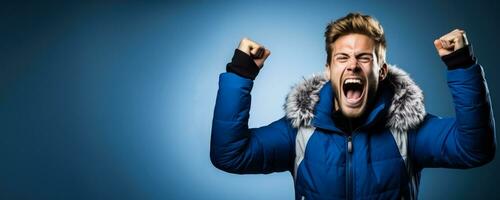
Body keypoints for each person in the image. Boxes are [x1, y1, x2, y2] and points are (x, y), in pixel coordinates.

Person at [210, 12, 496, 200]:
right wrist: (241, 72)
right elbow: (230, 155)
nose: (353, 66)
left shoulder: (409, 131)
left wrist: (461, 65)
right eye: (342, 58)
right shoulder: (298, 133)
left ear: (381, 72)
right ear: (329, 70)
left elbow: (475, 150)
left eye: (364, 58)